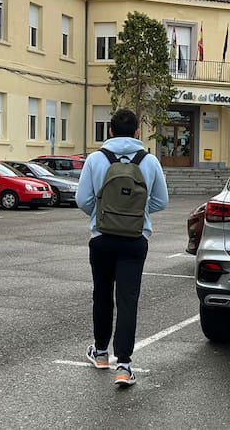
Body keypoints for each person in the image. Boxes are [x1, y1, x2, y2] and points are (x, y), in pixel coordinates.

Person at [75, 108, 168, 387]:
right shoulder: (149, 161)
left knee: (102, 294)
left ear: (110, 131)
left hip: (102, 237)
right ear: (138, 132)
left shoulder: (96, 159)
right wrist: (138, 214)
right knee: (128, 299)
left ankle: (101, 353)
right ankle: (124, 366)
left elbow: (82, 199)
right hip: (135, 239)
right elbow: (161, 201)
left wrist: (102, 214)